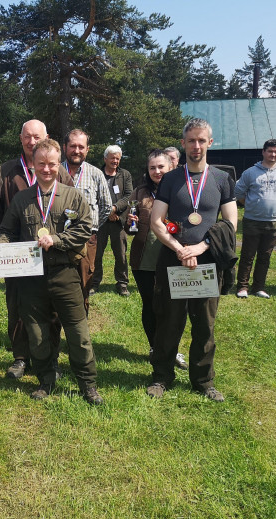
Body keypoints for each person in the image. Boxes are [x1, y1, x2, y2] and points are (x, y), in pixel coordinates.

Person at [0, 139, 103, 405]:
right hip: (31, 277)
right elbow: (6, 231)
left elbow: (85, 228)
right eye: (41, 164)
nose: (47, 169)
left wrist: (57, 239)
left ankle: (88, 384)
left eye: (52, 164)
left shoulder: (73, 196)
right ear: (34, 164)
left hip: (65, 274)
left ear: (58, 163)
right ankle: (46, 380)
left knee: (78, 333)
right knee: (37, 333)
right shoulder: (22, 199)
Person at [147, 118, 237, 402]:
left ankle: (203, 381)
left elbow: (230, 223)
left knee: (204, 325)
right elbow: (156, 221)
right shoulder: (171, 179)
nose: (196, 146)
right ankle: (161, 377)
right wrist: (179, 249)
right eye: (191, 140)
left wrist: (200, 247)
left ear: (210, 142)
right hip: (174, 261)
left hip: (207, 262)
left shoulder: (222, 179)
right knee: (168, 322)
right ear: (183, 143)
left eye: (201, 140)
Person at [0, 119, 74, 379]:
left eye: (37, 137)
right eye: (27, 136)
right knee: (18, 307)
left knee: (52, 309)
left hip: (52, 255)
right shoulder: (5, 172)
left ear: (46, 138)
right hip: (17, 257)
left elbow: (71, 213)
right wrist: (0, 248)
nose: (32, 141)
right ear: (20, 138)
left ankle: (50, 358)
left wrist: (60, 242)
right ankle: (21, 357)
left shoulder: (60, 172)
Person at [126, 150, 189, 371]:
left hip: (174, 256)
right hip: (145, 259)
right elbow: (130, 229)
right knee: (150, 305)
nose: (157, 171)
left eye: (161, 166)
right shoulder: (139, 192)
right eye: (152, 167)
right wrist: (130, 223)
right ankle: (155, 347)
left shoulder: (182, 189)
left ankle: (172, 349)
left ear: (171, 166)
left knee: (173, 307)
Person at [234, 139, 276, 299]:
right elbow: (238, 193)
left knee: (265, 256)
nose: (273, 154)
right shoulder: (250, 172)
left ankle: (259, 287)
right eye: (270, 151)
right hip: (252, 220)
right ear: (263, 152)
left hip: (274, 221)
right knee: (248, 255)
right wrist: (252, 205)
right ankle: (242, 287)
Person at [62, 129, 112, 309]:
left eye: (81, 147)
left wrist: (92, 227)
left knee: (85, 281)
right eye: (72, 146)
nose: (76, 150)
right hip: (59, 238)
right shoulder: (55, 172)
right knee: (59, 282)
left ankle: (82, 319)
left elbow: (106, 206)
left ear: (87, 149)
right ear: (64, 147)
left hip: (86, 239)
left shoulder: (95, 174)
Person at [89, 145, 133, 296]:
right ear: (105, 159)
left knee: (121, 254)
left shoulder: (125, 175)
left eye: (118, 158)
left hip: (118, 221)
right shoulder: (96, 173)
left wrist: (114, 208)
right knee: (96, 254)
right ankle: (94, 283)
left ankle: (122, 283)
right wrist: (107, 213)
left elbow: (128, 196)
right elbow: (92, 196)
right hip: (100, 221)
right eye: (112, 158)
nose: (115, 161)